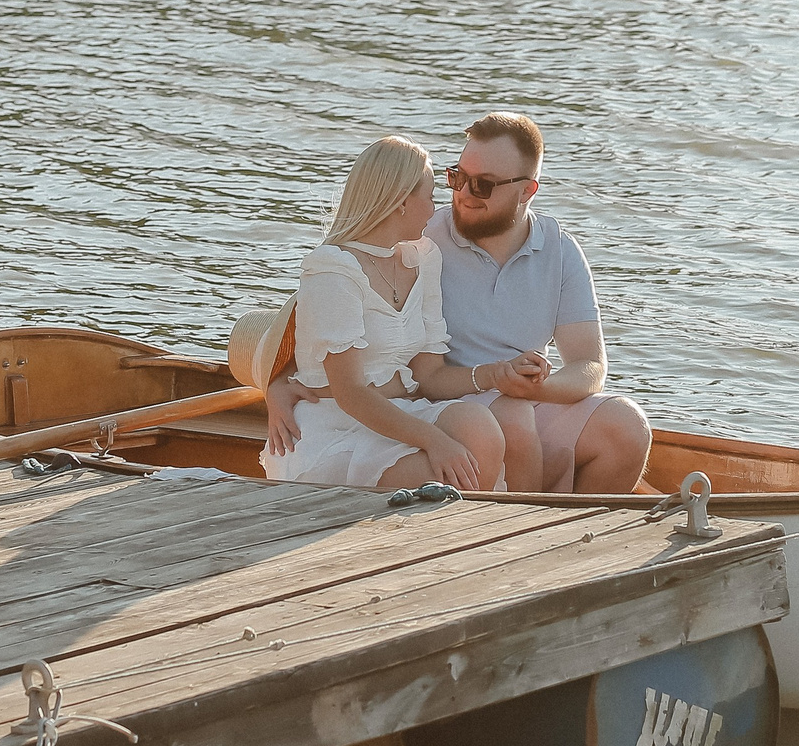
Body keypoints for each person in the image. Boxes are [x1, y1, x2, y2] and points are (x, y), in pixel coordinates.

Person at [268, 113, 652, 494]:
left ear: (526, 191)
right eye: (457, 178)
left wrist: (527, 386)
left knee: (628, 428)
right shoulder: (418, 234)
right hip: (443, 401)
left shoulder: (560, 250)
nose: (462, 195)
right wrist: (277, 382)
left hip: (510, 398)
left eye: (483, 185)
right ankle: (513, 529)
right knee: (512, 422)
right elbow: (319, 318)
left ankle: (567, 536)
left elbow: (589, 365)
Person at [258, 136, 509, 491]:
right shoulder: (332, 269)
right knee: (437, 473)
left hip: (403, 410)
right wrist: (435, 441)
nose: (435, 208)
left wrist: (497, 374)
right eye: (430, 195)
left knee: (480, 428)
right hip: (337, 425)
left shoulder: (423, 258)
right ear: (401, 202)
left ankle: (457, 529)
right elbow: (351, 394)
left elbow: (429, 375)